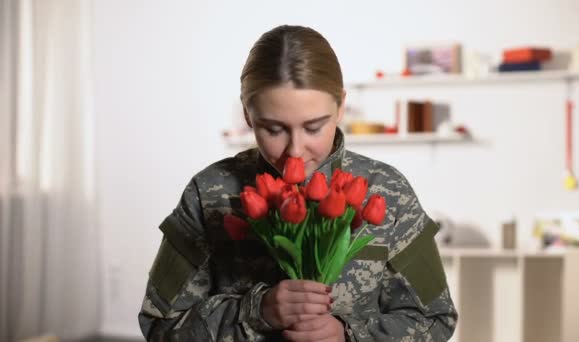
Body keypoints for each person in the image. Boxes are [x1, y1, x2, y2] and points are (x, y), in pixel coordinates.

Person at [138, 25, 458, 341]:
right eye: (274, 129)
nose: (295, 150)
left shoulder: (388, 191)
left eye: (314, 127)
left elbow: (436, 320)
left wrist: (349, 336)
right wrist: (256, 312)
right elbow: (160, 326)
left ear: (341, 106)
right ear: (248, 115)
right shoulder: (208, 193)